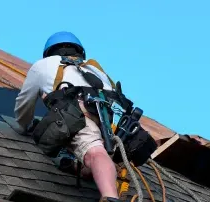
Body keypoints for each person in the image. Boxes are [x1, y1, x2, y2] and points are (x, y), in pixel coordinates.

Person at [14, 31, 131, 202]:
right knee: (99, 155)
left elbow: (24, 104)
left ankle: (110, 198)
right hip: (112, 120)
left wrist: (25, 126)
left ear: (49, 52)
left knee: (95, 153)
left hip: (79, 113)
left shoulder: (43, 65)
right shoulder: (94, 68)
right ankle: (88, 169)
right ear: (79, 52)